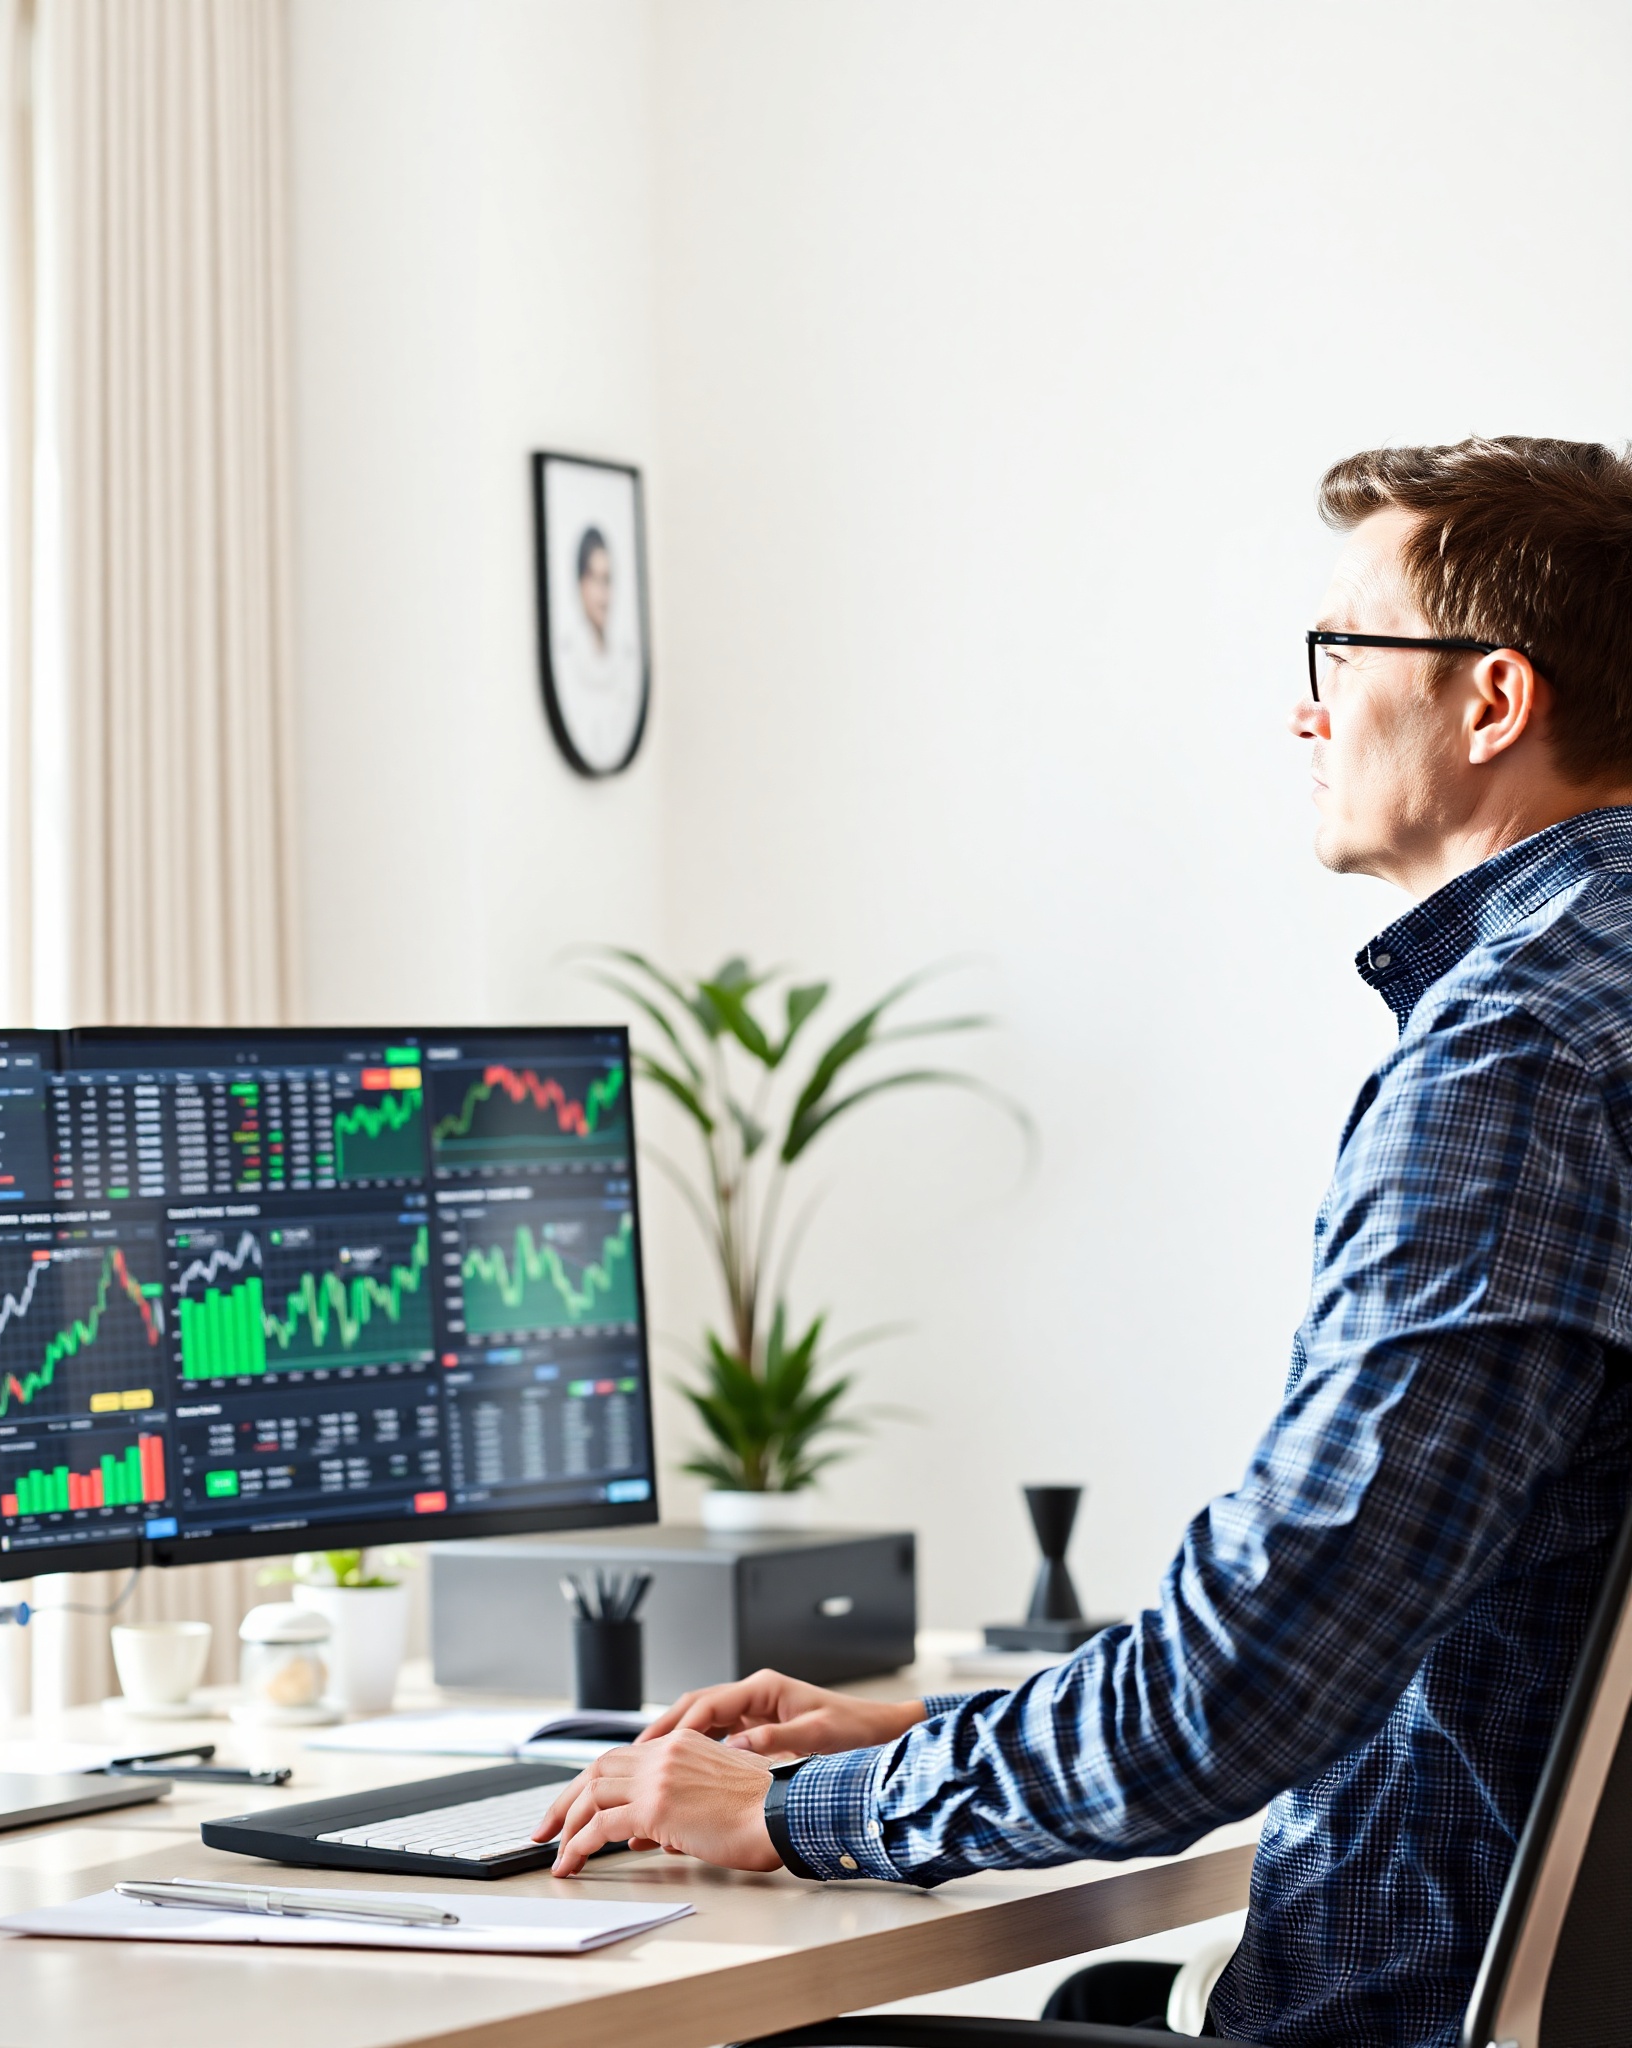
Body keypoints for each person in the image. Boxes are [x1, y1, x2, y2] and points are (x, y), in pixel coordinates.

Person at [535, 438, 1632, 2048]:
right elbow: (1378, 1606)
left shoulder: (1516, 1058)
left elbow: (1249, 1687)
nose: (1305, 708)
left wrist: (803, 1812)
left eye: (1340, 654)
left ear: (1492, 702)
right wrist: (931, 1727)